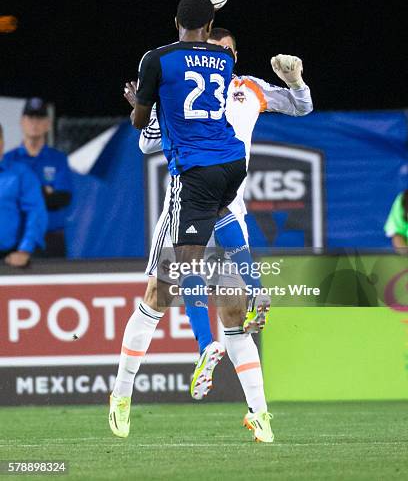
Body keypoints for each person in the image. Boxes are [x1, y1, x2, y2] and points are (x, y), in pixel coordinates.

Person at [110, 22, 312, 443]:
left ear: (233, 57)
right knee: (157, 296)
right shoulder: (182, 86)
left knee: (235, 316)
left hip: (228, 201)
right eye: (214, 46)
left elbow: (301, 106)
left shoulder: (249, 89)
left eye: (227, 50)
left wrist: (295, 80)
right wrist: (147, 117)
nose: (219, 55)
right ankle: (124, 391)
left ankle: (260, 415)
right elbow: (147, 144)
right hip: (185, 200)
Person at [5, 97, 73, 257]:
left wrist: (25, 196)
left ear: (48, 123)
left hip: (51, 238)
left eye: (40, 118)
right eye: (30, 117)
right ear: (22, 121)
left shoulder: (57, 159)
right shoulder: (9, 159)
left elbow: (62, 199)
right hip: (17, 239)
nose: (34, 123)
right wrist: (43, 192)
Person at [0, 123, 48, 267]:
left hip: (11, 258)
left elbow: (36, 212)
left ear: (2, 142)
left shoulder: (21, 174)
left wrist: (25, 250)